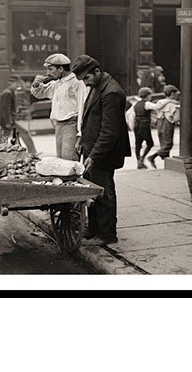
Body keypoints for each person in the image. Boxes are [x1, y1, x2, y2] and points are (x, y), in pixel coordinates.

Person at [71, 54, 131, 245]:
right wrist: (82, 139)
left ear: (97, 71)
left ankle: (107, 234)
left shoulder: (111, 92)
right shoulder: (98, 85)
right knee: (91, 190)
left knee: (103, 192)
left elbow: (109, 132)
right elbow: (91, 118)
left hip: (103, 153)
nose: (86, 83)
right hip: (92, 149)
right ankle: (94, 228)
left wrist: (94, 156)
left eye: (87, 78)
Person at [30, 53, 88, 161]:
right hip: (58, 125)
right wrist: (36, 84)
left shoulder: (77, 83)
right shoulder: (57, 83)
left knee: (69, 161)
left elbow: (82, 108)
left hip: (71, 125)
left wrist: (80, 133)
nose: (48, 73)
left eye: (50, 69)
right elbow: (40, 93)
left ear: (61, 68)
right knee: (61, 161)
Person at [0, 74, 37, 155]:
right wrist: (8, 121)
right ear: (11, 83)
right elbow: (5, 109)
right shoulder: (8, 93)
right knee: (24, 133)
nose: (17, 85)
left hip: (8, 120)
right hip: (8, 120)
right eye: (16, 84)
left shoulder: (10, 92)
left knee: (2, 137)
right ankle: (32, 152)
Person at [132, 87, 168, 169]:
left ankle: (139, 161)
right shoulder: (147, 104)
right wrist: (167, 102)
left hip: (136, 125)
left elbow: (130, 114)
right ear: (148, 96)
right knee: (150, 143)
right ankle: (142, 158)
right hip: (144, 125)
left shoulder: (135, 104)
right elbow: (157, 107)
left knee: (138, 144)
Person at [146, 84, 180, 169]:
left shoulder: (160, 102)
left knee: (163, 143)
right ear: (172, 94)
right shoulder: (172, 104)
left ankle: (166, 163)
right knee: (168, 144)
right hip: (167, 123)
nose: (177, 96)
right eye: (176, 94)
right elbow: (176, 118)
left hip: (159, 123)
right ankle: (152, 157)